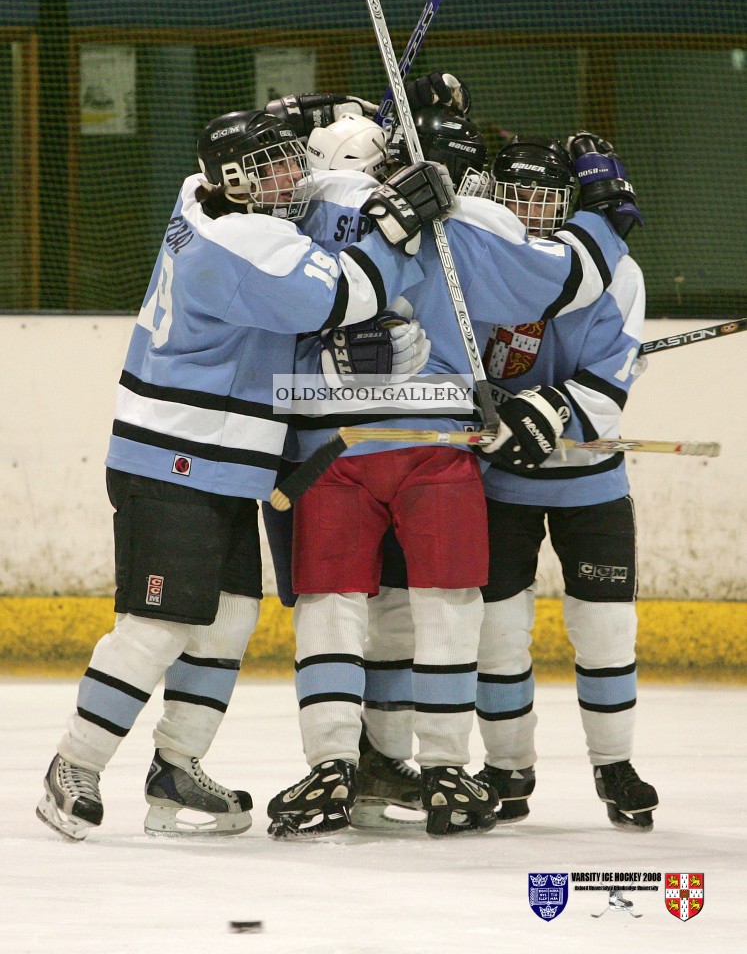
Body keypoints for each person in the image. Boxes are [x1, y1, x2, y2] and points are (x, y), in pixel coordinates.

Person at [35, 108, 450, 841]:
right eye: (271, 169)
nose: (290, 177)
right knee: (159, 621)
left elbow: (270, 330)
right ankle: (75, 764)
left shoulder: (198, 192)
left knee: (227, 616)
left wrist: (327, 115)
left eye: (290, 158)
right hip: (174, 457)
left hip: (223, 459)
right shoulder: (237, 240)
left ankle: (176, 767)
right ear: (233, 182)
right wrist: (394, 226)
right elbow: (340, 295)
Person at [261, 104, 634, 839]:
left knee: (331, 606)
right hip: (433, 445)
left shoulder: (324, 196)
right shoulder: (476, 224)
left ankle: (333, 765)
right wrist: (604, 211)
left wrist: (331, 122)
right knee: (441, 606)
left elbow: (263, 206)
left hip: (324, 441)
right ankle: (441, 769)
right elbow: (574, 279)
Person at [473, 133, 658, 832]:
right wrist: (474, 403)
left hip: (589, 481)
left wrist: (550, 407)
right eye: (516, 193)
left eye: (545, 196)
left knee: (606, 629)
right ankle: (505, 767)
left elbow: (609, 386)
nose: (528, 209)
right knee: (495, 634)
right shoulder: (476, 264)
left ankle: (614, 765)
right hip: (499, 486)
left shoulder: (619, 274)